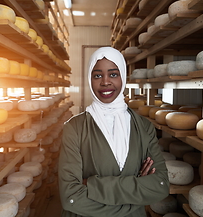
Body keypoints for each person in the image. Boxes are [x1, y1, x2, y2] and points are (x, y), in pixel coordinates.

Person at [58, 47, 169, 217]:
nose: (105, 82)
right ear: (89, 78)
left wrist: (91, 185)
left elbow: (160, 185)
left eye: (113, 74)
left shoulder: (144, 127)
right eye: (97, 75)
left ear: (123, 77)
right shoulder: (74, 128)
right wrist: (135, 192)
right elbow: (71, 197)